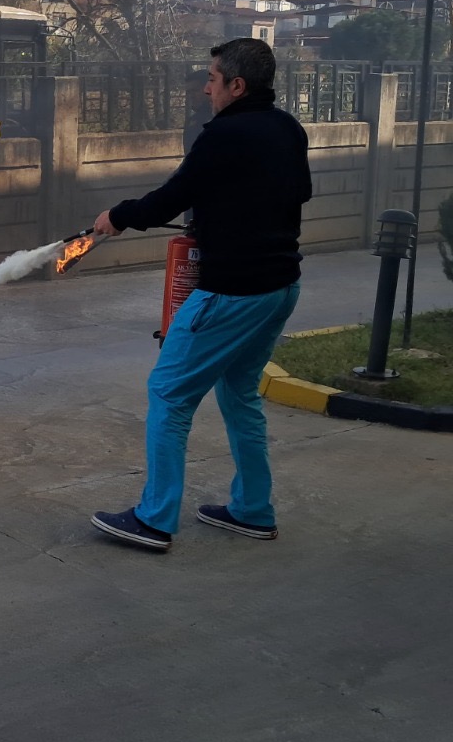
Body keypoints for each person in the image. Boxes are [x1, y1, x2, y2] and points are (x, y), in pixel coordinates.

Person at [89, 38, 312, 553]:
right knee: (239, 397)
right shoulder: (288, 129)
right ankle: (253, 510)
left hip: (231, 291)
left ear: (237, 85)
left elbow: (174, 194)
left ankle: (153, 519)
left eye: (212, 79)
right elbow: (292, 194)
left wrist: (119, 216)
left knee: (169, 395)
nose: (206, 88)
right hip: (280, 288)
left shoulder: (224, 134)